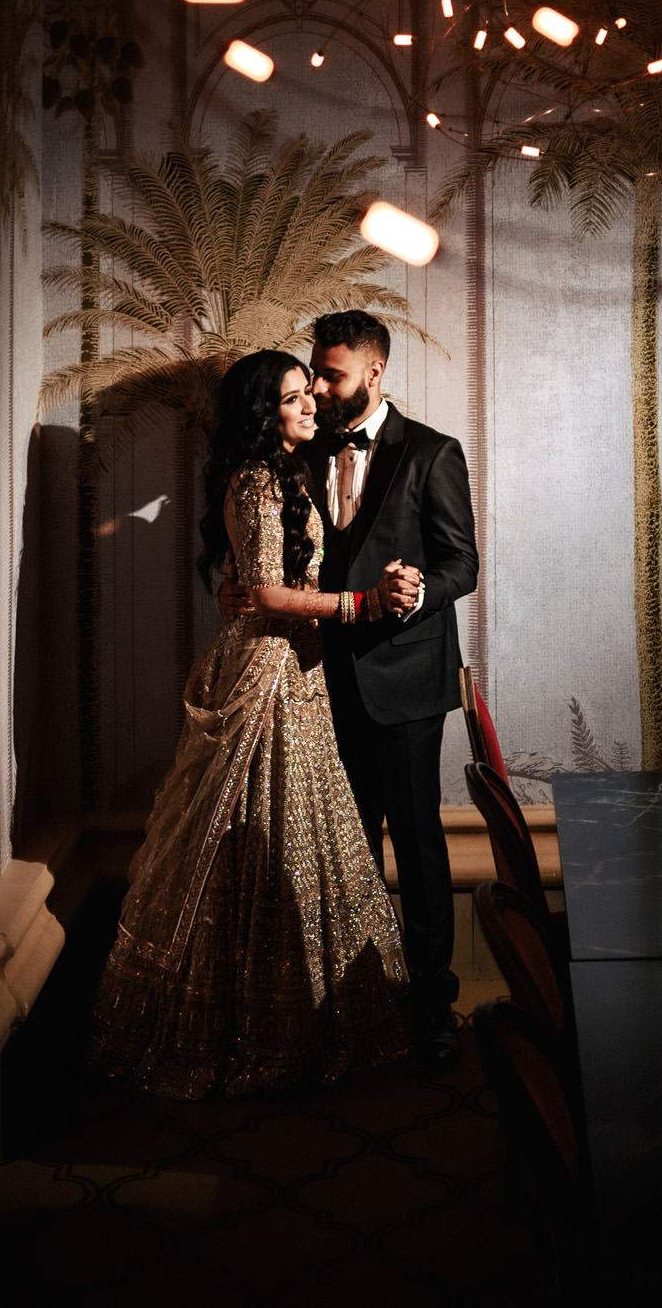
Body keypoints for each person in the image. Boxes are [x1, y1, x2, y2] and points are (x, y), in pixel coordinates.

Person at [89, 349, 413, 1096]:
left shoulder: (284, 473)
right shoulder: (257, 480)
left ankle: (294, 1018)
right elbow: (265, 592)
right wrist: (357, 606)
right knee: (241, 830)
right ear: (263, 415)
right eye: (295, 399)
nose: (310, 407)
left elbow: (252, 583)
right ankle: (226, 1025)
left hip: (293, 666)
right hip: (266, 669)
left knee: (295, 829)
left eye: (310, 394)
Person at [223, 310, 478, 1065]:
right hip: (314, 682)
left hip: (405, 680)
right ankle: (359, 1004)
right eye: (315, 373)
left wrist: (417, 590)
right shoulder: (299, 449)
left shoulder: (433, 452)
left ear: (374, 371)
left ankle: (433, 1005)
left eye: (333, 375)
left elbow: (463, 563)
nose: (321, 389)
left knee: (421, 847)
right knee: (343, 847)